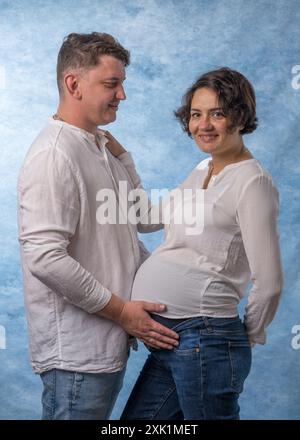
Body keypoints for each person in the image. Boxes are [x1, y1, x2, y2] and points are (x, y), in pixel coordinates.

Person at [17, 32, 179, 420]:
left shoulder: (98, 147)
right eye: (112, 83)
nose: (122, 95)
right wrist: (123, 312)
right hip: (77, 358)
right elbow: (45, 258)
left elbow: (141, 221)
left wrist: (124, 159)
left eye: (122, 83)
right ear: (73, 84)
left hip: (105, 347)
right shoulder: (54, 155)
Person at [117, 67, 284, 420]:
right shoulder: (202, 168)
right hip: (173, 340)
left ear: (239, 117)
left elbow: (269, 283)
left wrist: (234, 341)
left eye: (217, 113)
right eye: (196, 114)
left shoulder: (253, 183)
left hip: (206, 340)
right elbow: (146, 219)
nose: (203, 125)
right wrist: (122, 161)